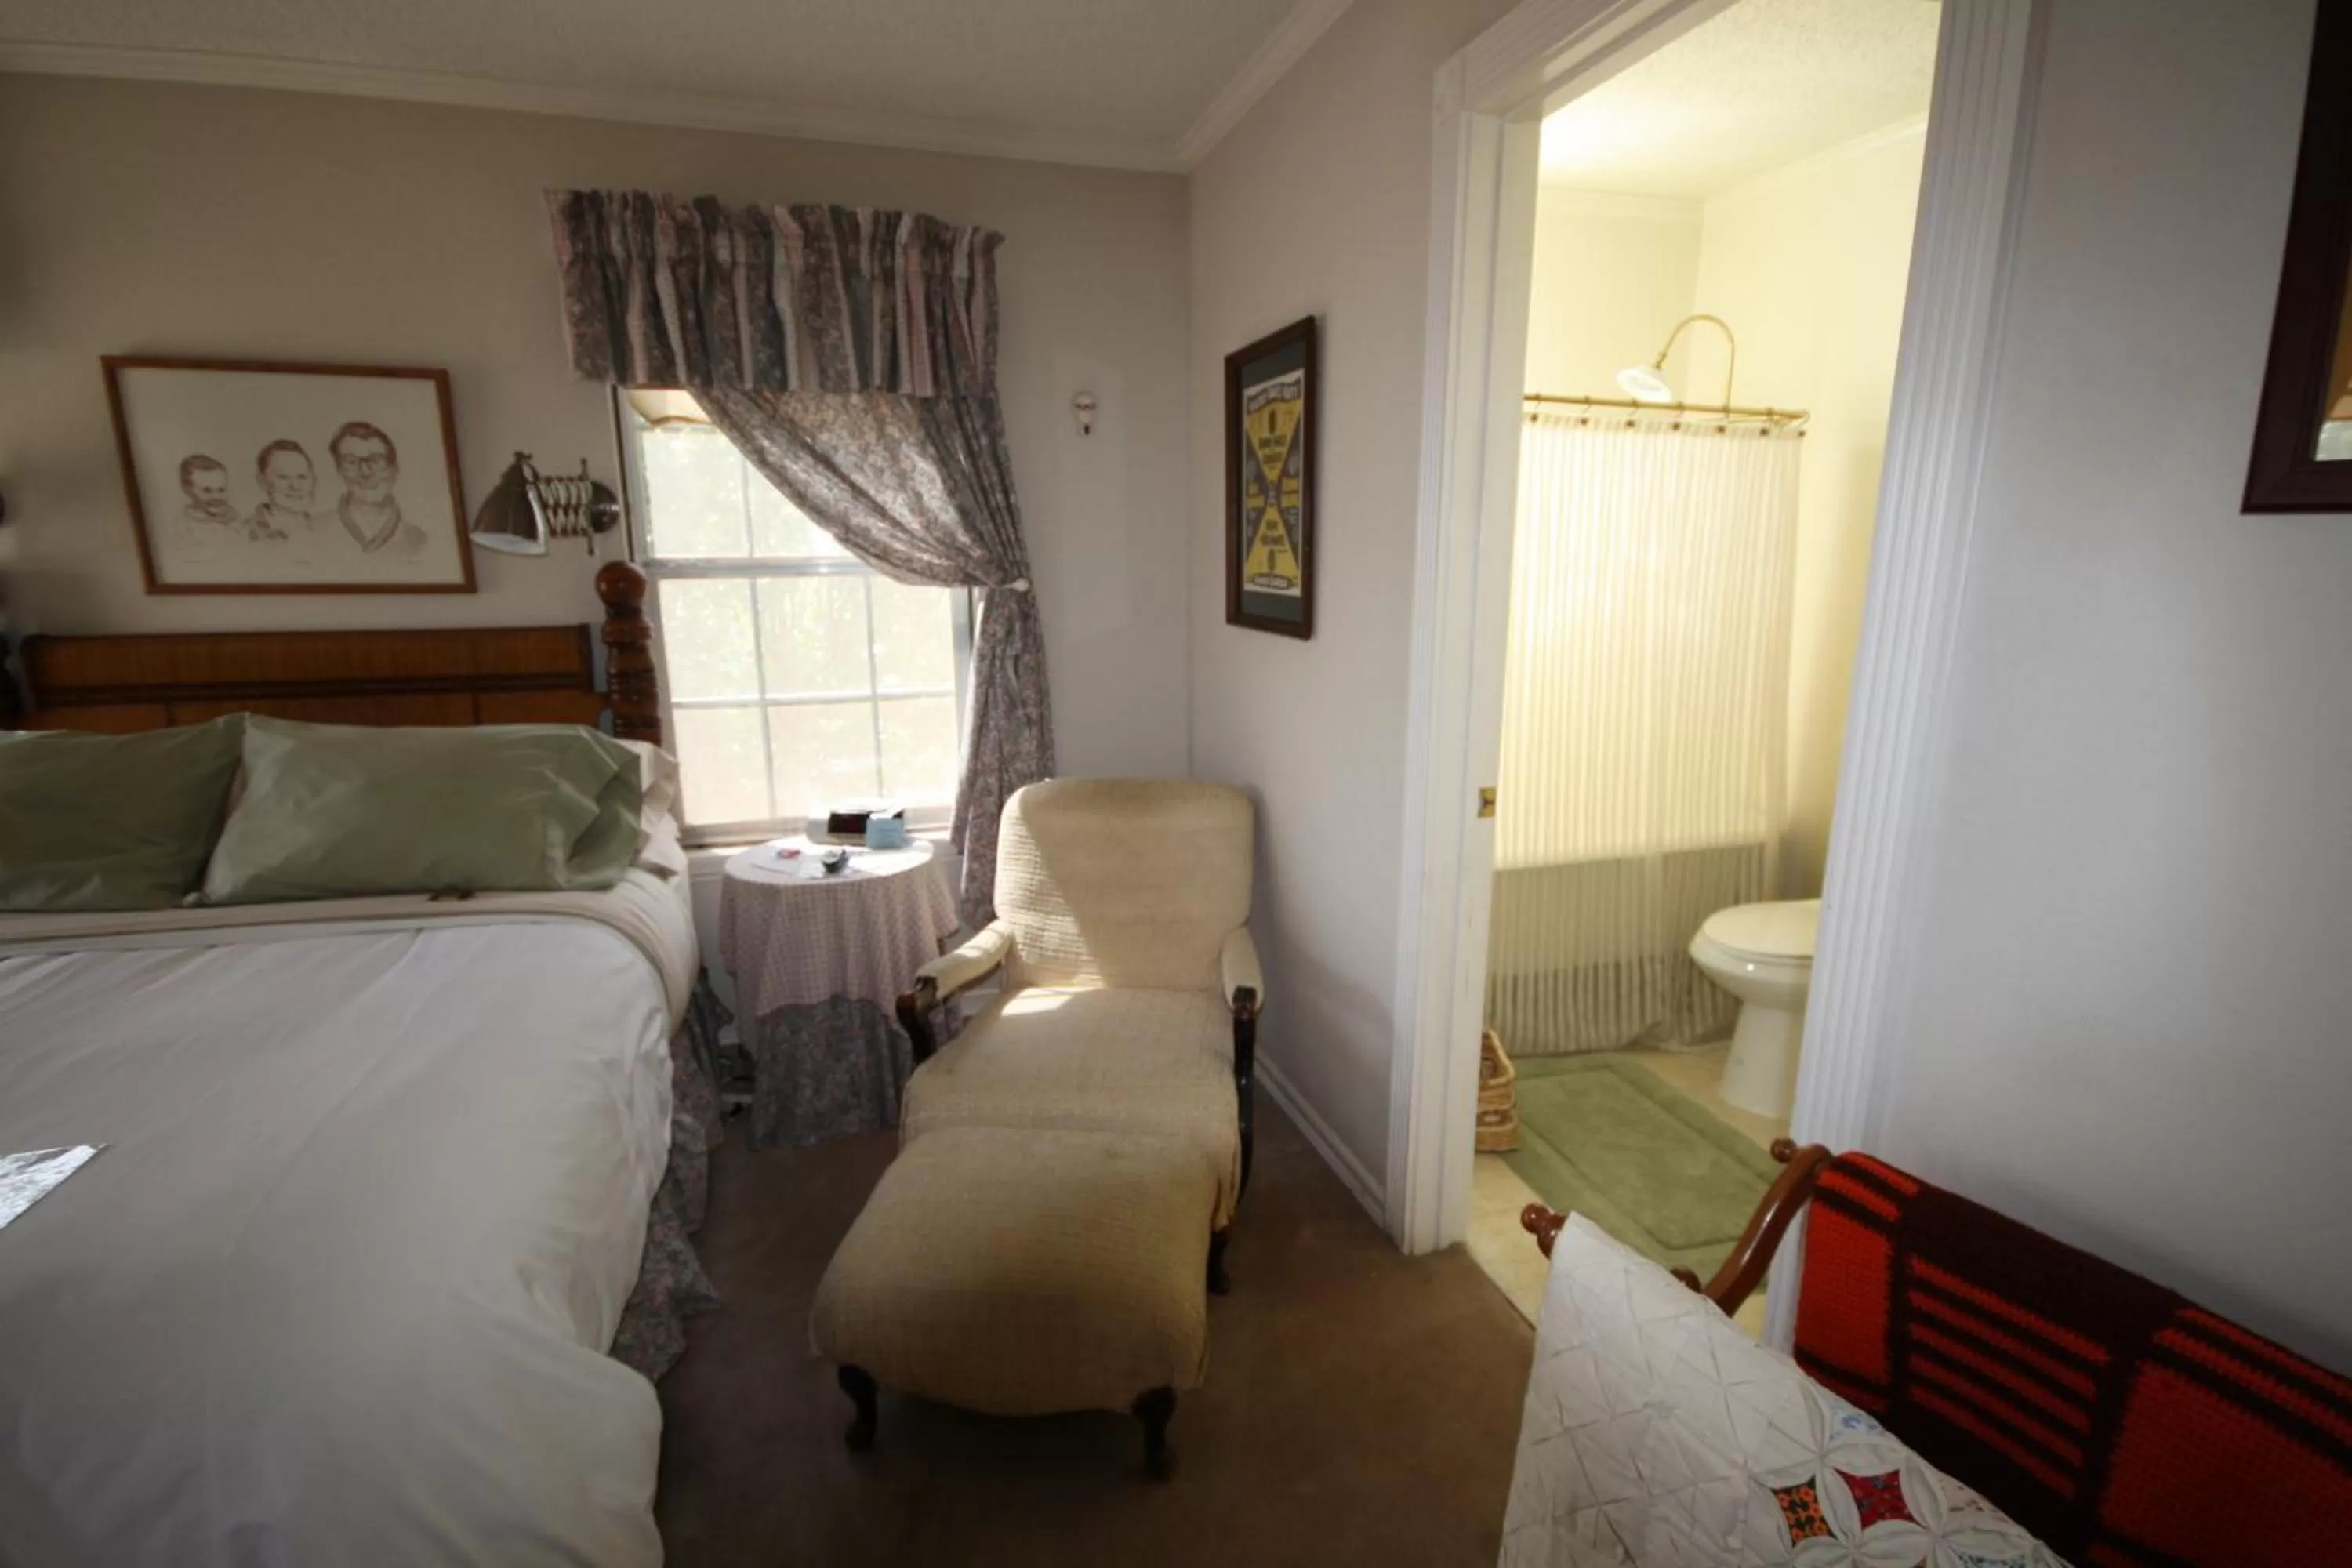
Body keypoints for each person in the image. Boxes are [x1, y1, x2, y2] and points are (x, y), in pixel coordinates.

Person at [328, 421, 427, 560]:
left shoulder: (420, 540)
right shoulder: (314, 531)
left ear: (394, 469)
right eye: (352, 462)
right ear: (339, 471)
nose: (365, 472)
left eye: (375, 461)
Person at [242, 439, 314, 544]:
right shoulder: (242, 533)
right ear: (262, 481)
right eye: (283, 477)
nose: (295, 486)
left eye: (302, 477)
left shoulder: (325, 529)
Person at [172, 455, 241, 559]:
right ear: (187, 489)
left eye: (221, 490)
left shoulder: (235, 518)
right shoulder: (184, 524)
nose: (216, 497)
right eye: (207, 491)